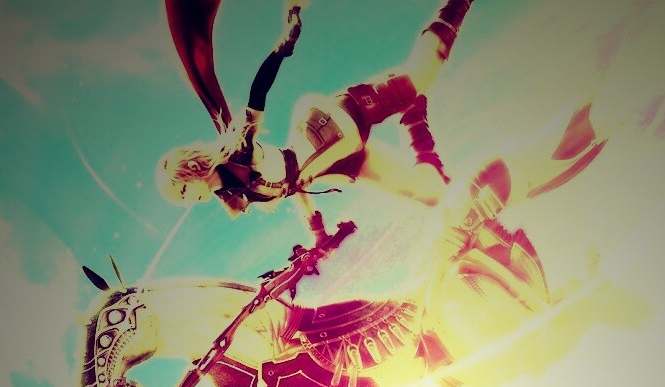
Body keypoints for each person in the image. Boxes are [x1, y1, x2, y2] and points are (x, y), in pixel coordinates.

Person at [156, 0, 474, 233]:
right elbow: (292, 184)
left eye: (183, 191)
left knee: (423, 72)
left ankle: (457, 5)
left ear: (191, 170)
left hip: (335, 124)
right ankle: (414, 117)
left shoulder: (238, 152)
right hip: (340, 163)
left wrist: (280, 49)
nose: (189, 200)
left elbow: (258, 92)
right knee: (431, 194)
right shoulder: (234, 197)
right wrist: (317, 230)